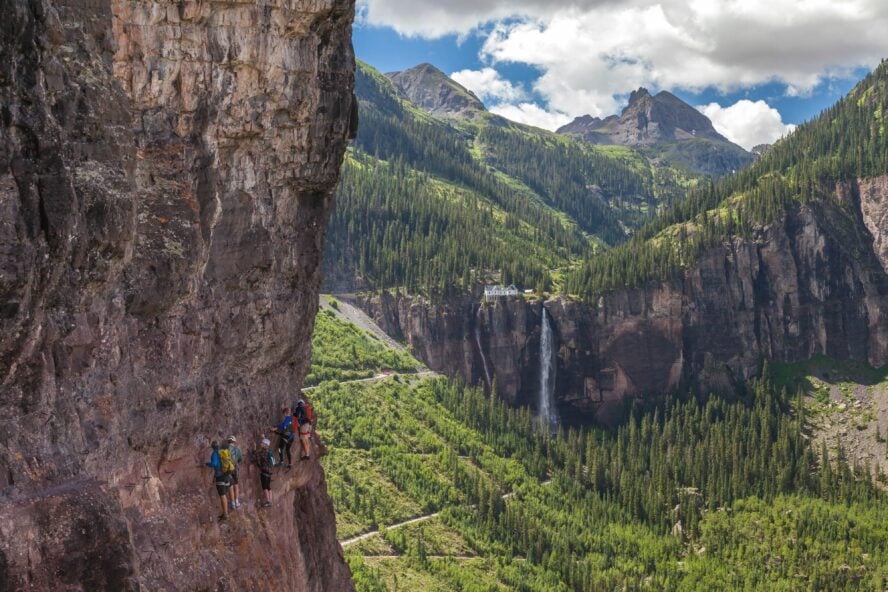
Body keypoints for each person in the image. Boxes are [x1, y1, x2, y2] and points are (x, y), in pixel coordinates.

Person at [206, 441, 230, 521]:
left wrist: (207, 464)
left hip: (220, 476)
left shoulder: (214, 453)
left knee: (222, 495)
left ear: (212, 447)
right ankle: (225, 512)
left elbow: (214, 464)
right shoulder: (223, 452)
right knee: (225, 495)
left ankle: (225, 514)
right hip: (227, 475)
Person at [256, 437, 274, 507]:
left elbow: (258, 461)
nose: (261, 444)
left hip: (264, 471)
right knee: (269, 487)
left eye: (262, 443)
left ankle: (268, 501)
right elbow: (273, 462)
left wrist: (254, 450)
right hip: (269, 471)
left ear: (265, 444)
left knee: (265, 487)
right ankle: (270, 501)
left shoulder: (262, 452)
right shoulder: (270, 452)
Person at [227, 435, 244, 509]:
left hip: (228, 468)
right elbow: (240, 459)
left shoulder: (225, 449)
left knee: (230, 486)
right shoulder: (237, 450)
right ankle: (237, 502)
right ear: (234, 441)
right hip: (235, 468)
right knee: (236, 484)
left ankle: (232, 503)